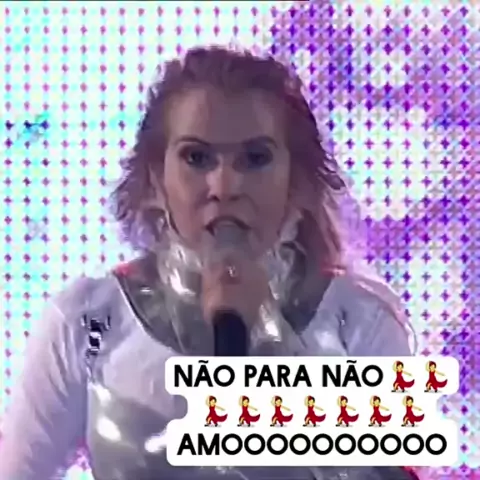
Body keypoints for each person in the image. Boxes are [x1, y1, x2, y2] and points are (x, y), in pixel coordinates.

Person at [0, 46, 418, 480]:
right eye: (197, 158)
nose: (224, 186)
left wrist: (272, 340)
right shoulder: (88, 322)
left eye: (255, 159)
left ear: (295, 179)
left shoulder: (359, 319)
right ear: (155, 178)